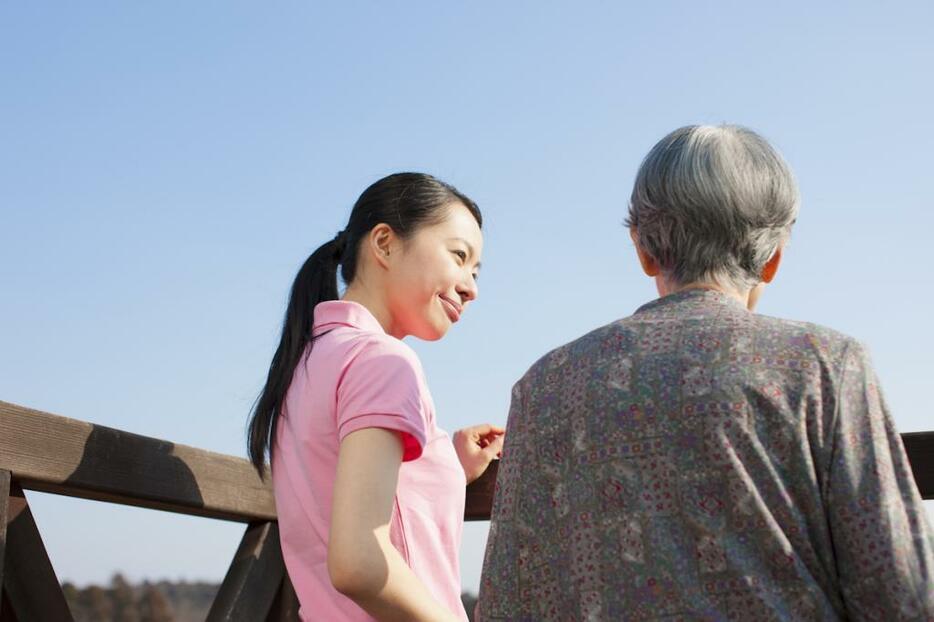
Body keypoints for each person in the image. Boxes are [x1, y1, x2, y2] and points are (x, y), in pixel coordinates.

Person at [477, 125, 934, 620]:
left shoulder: (542, 386)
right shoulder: (825, 364)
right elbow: (902, 591)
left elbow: (506, 600)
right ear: (773, 258)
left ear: (643, 249)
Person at [247, 172, 504, 622]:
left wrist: (447, 465)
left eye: (476, 271)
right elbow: (359, 562)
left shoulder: (309, 361)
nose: (471, 287)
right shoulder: (383, 362)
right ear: (383, 243)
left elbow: (343, 487)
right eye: (458, 256)